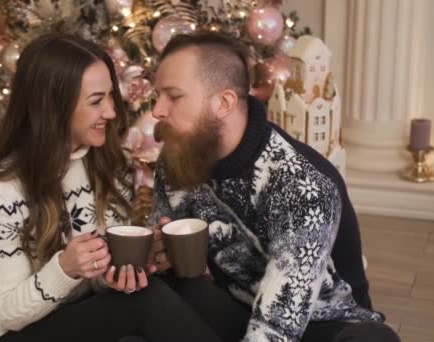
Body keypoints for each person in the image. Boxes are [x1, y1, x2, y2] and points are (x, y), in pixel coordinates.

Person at [0, 33, 223, 342]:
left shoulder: (108, 165)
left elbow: (102, 285)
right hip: (8, 332)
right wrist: (65, 268)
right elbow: (8, 313)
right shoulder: (1, 190)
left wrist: (129, 267)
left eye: (109, 96)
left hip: (75, 312)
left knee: (176, 286)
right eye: (95, 101)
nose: (111, 112)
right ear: (56, 108)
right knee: (146, 302)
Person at [149, 32, 401, 342]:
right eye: (157, 95)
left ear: (224, 102)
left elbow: (276, 329)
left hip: (321, 327)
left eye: (173, 96)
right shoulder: (178, 153)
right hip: (239, 307)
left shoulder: (304, 185)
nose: (157, 110)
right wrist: (160, 255)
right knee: (152, 299)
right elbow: (170, 263)